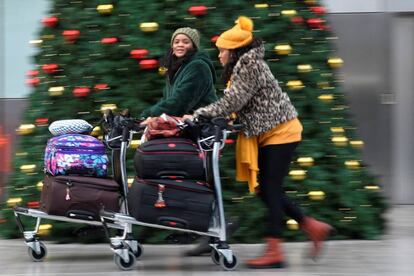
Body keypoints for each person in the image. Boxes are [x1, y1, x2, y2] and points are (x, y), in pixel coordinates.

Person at [185, 16, 335, 269]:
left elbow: (233, 102)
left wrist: (198, 114)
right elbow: (239, 104)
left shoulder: (250, 65)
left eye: (222, 50)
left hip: (281, 132)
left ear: (234, 51)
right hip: (272, 132)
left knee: (270, 188)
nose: (219, 55)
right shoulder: (244, 65)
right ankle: (313, 226)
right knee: (266, 189)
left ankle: (275, 250)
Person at [140, 27, 217, 120]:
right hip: (184, 124)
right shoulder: (175, 68)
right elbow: (167, 99)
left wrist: (152, 114)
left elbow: (181, 101)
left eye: (185, 42)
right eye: (176, 42)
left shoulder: (198, 66)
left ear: (194, 46)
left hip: (202, 126)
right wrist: (147, 114)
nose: (180, 45)